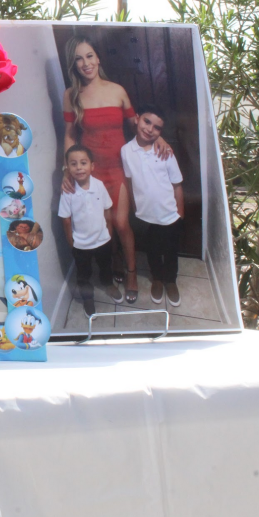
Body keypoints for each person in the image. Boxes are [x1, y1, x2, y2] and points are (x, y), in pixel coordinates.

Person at [61, 35, 173, 303]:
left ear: (98, 58)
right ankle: (113, 266)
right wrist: (66, 168)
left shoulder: (117, 90)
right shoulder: (71, 95)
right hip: (91, 172)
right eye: (78, 59)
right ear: (74, 65)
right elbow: (69, 135)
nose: (85, 63)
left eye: (89, 56)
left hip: (119, 168)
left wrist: (158, 136)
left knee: (122, 223)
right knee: (105, 225)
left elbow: (137, 124)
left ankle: (131, 273)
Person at [121, 106, 185, 307]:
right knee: (152, 249)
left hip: (169, 213)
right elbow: (130, 181)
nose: (150, 129)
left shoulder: (164, 151)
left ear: (161, 132)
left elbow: (176, 184)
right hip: (145, 214)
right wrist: (133, 206)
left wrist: (180, 212)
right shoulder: (126, 151)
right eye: (147, 122)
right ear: (137, 119)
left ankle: (170, 280)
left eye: (157, 128)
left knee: (171, 249)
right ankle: (157, 279)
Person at [58, 145, 126, 315]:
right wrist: (71, 241)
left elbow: (107, 209)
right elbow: (66, 219)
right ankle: (88, 299)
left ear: (92, 166)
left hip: (102, 239)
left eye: (83, 163)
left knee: (105, 265)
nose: (79, 167)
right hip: (80, 244)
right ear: (67, 167)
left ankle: (108, 285)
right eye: (73, 164)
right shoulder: (68, 191)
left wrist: (109, 232)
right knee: (83, 274)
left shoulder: (99, 185)